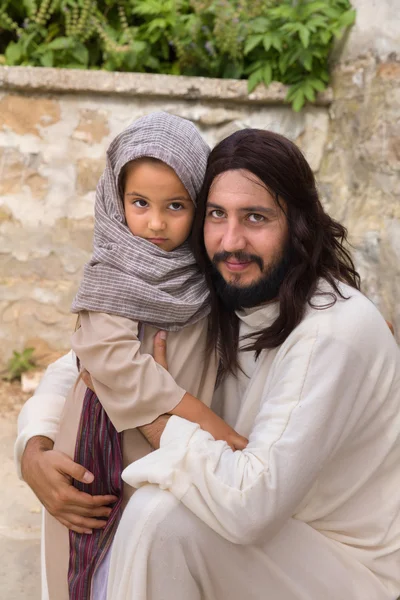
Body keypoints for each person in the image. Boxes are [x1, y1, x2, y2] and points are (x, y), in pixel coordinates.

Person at [17, 129, 400, 600]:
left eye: (255, 218)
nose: (231, 241)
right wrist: (33, 451)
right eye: (217, 215)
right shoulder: (217, 290)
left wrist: (155, 415)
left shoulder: (331, 330)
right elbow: (85, 360)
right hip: (264, 543)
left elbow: (249, 505)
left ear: (300, 225)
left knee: (160, 516)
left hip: (346, 569)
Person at [19, 112, 248, 600]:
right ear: (116, 199)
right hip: (99, 461)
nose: (156, 223)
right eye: (139, 203)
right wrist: (217, 430)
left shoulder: (209, 273)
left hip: (178, 470)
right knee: (96, 576)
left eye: (177, 205)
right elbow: (113, 365)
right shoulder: (112, 273)